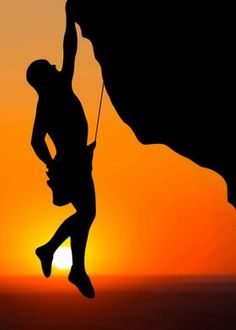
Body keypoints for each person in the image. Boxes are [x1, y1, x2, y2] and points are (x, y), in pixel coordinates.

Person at [26, 1, 96, 298]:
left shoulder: (54, 93)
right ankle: (50, 248)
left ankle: (76, 268)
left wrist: (69, 20)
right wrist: (54, 164)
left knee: (86, 213)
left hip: (74, 160)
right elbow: (35, 141)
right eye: (50, 68)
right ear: (44, 78)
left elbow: (70, 49)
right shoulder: (53, 95)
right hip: (72, 162)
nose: (56, 67)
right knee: (88, 213)